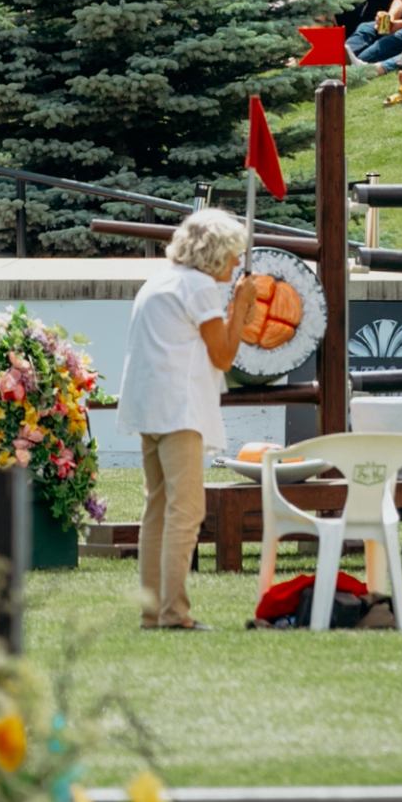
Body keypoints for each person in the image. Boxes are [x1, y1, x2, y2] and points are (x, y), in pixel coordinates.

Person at [116, 206, 255, 631]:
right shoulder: (198, 288)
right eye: (233, 257)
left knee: (157, 509)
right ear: (215, 254)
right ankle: (174, 614)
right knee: (186, 511)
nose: (236, 266)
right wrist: (242, 309)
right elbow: (224, 355)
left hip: (148, 408)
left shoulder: (158, 281)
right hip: (179, 409)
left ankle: (152, 611)